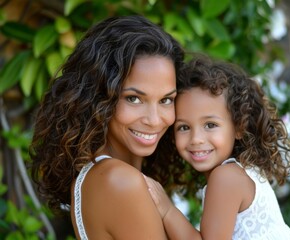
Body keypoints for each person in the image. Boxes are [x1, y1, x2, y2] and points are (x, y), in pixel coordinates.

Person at [29, 15, 185, 239]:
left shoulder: (103, 174)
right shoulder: (120, 181)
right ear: (98, 98)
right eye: (133, 99)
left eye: (166, 100)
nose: (154, 119)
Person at [145, 56, 290, 240]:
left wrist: (166, 209)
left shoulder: (227, 177)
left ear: (239, 127)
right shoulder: (239, 172)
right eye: (184, 127)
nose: (196, 139)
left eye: (210, 125)